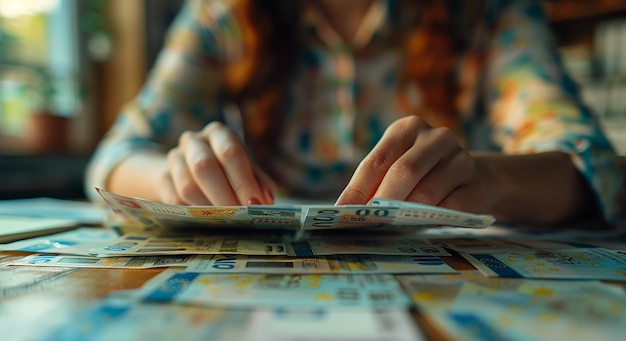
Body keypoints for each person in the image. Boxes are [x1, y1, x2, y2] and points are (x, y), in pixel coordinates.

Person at [85, 0, 624, 227]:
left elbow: (592, 169)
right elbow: (114, 158)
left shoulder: (489, 11)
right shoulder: (224, 14)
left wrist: (488, 179)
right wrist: (174, 176)